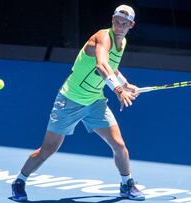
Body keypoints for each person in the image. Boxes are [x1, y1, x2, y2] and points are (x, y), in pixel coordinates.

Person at [11, 4, 145, 201]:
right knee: (47, 150)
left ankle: (127, 184)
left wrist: (125, 84)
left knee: (119, 145)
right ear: (112, 19)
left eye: (125, 23)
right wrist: (117, 89)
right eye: (117, 21)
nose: (120, 25)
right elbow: (101, 65)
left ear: (131, 25)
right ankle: (19, 181)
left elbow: (112, 67)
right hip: (70, 101)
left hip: (95, 101)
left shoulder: (122, 42)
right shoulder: (103, 37)